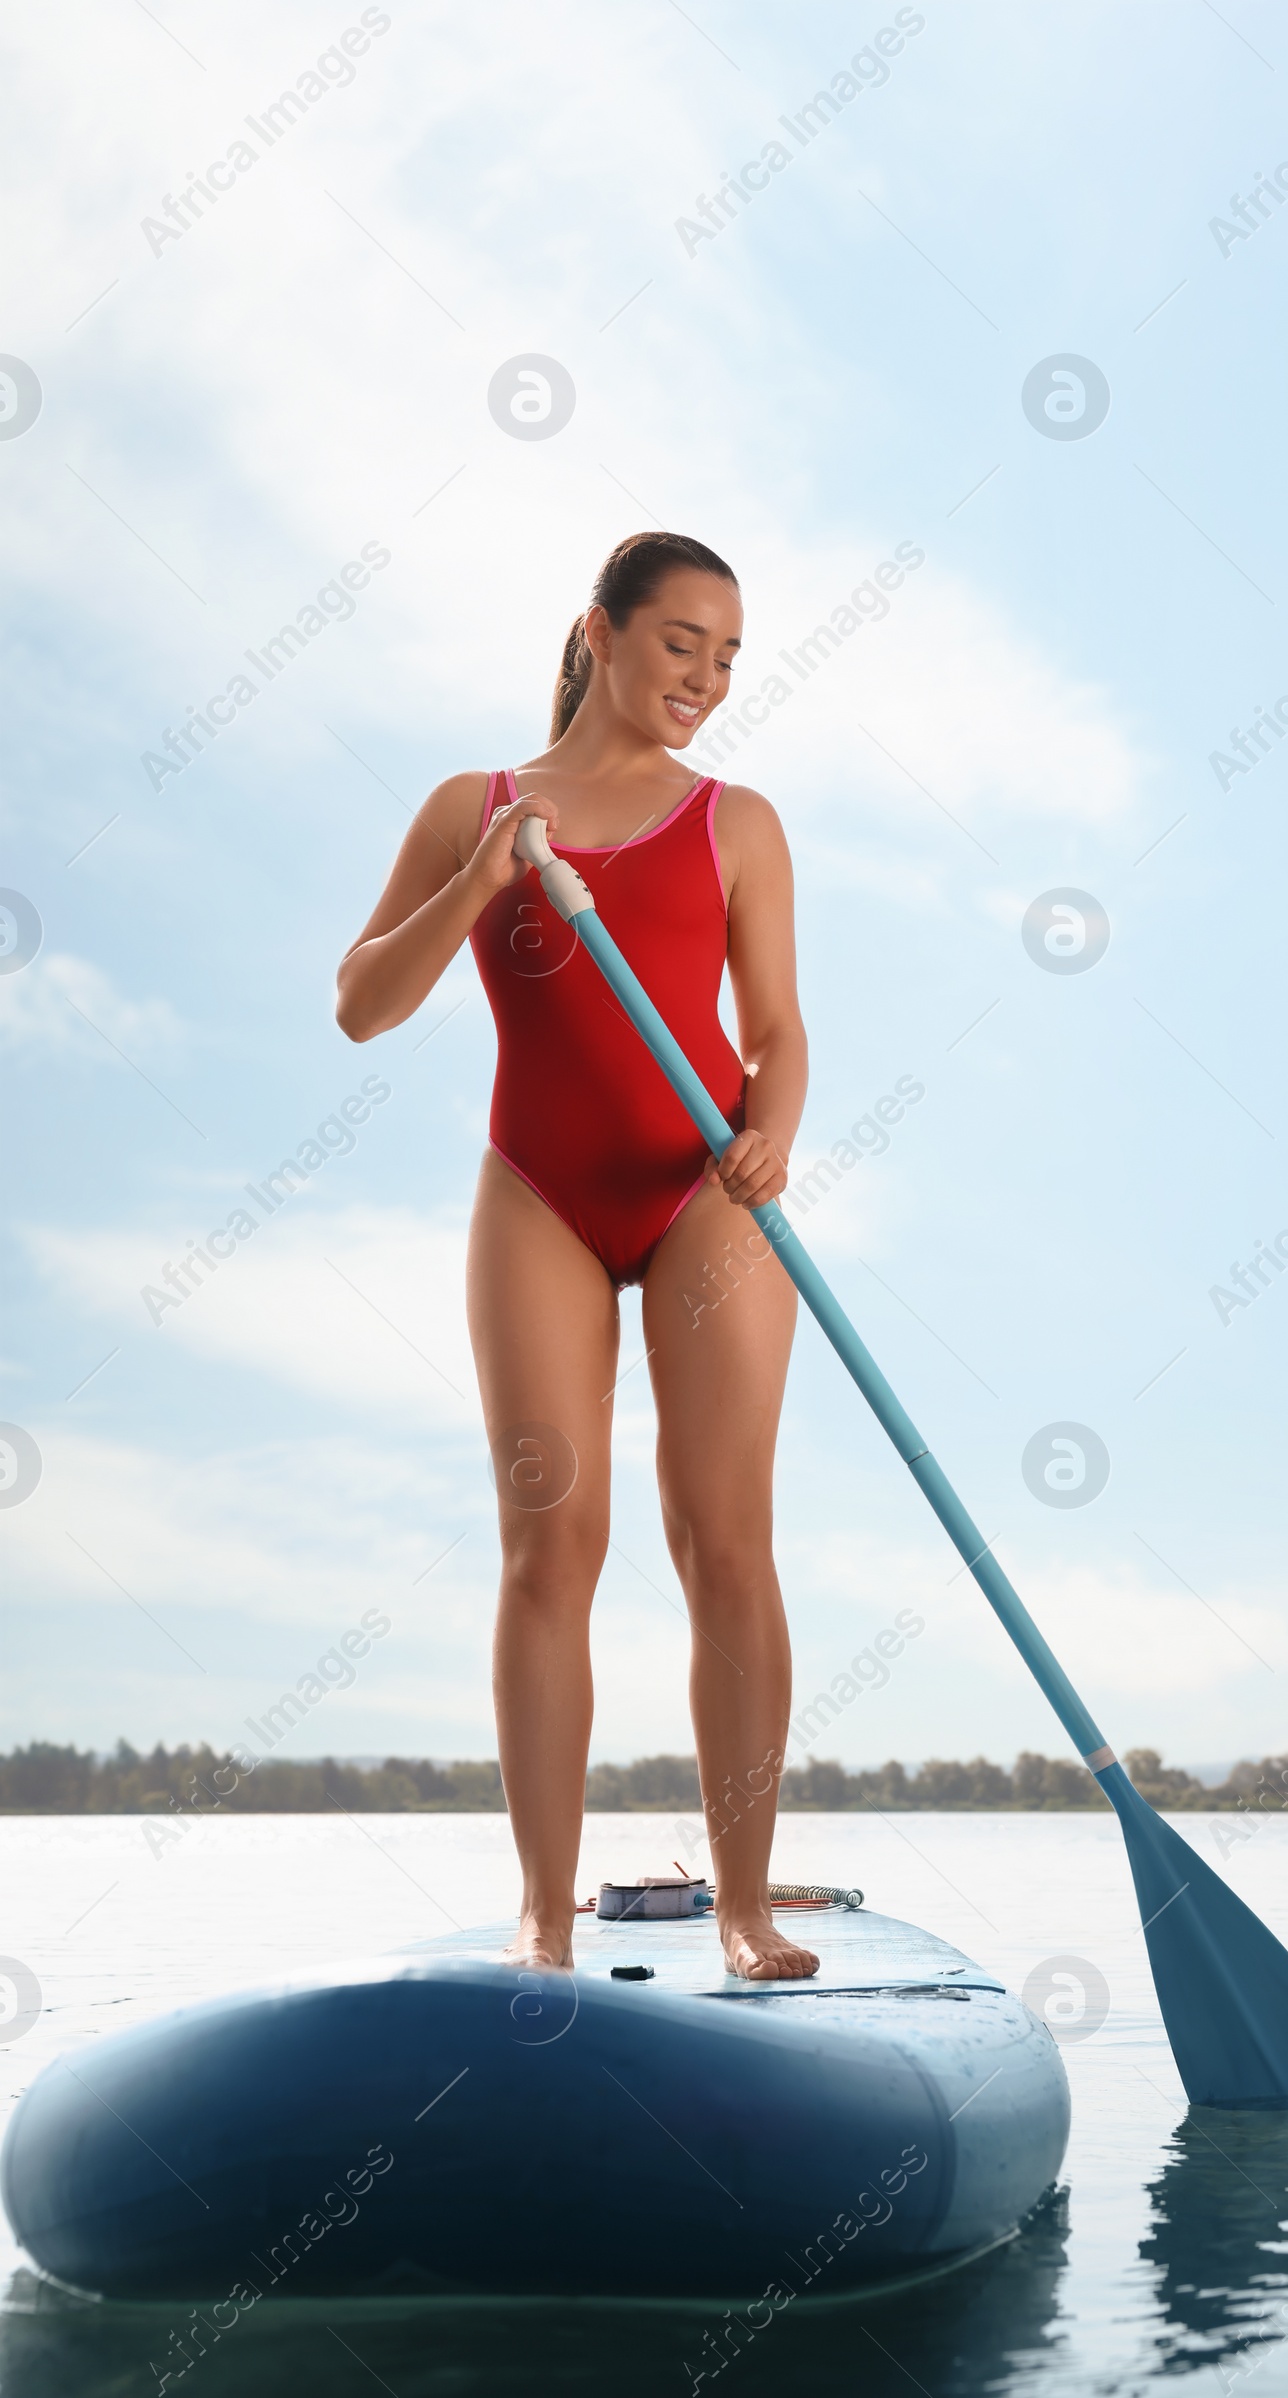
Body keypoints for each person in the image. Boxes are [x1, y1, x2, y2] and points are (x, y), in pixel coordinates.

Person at [336, 531, 819, 1980]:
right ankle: (545, 1916)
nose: (708, 678)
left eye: (729, 657)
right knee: (553, 1543)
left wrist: (772, 1129)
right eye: (684, 642)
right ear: (597, 634)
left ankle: (742, 1907)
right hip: (538, 1192)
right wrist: (484, 878)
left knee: (721, 1543)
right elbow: (364, 1003)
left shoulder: (739, 821)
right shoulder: (472, 809)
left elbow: (777, 1029)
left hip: (703, 1192)